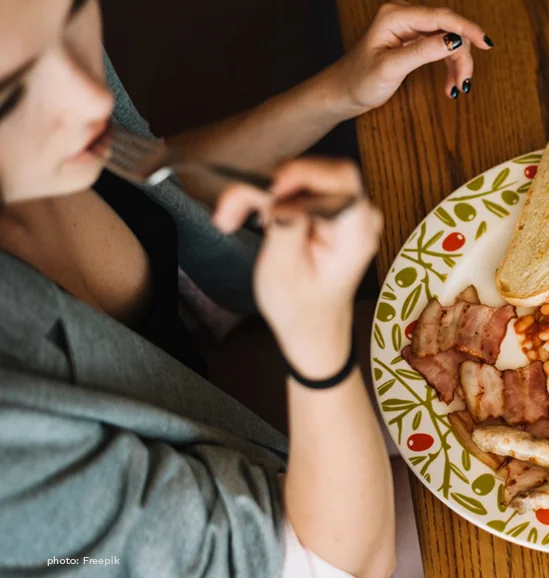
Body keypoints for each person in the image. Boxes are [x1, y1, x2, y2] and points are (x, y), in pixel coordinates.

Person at [0, 1, 491, 576]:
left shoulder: (29, 45)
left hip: (237, 377)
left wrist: (340, 91)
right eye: (9, 98)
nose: (92, 99)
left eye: (75, 17)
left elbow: (153, 173)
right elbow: (337, 566)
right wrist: (317, 350)